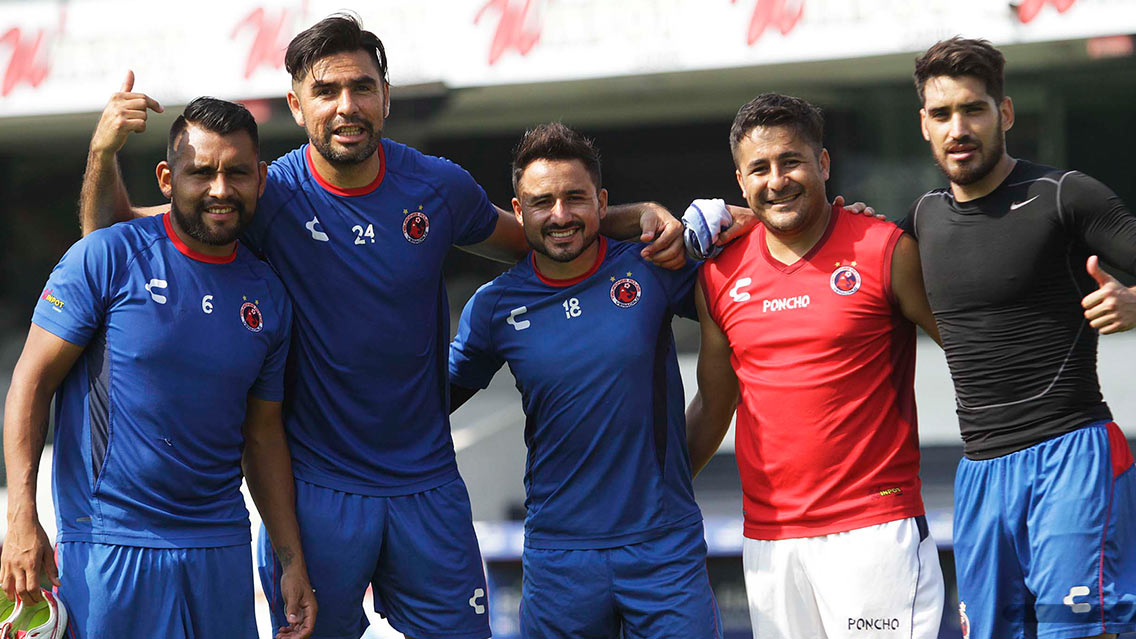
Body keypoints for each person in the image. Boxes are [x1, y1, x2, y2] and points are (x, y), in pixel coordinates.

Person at [78, 14, 689, 639]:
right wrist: (102, 153)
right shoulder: (263, 194)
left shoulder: (438, 186)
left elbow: (545, 237)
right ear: (297, 104)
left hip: (428, 486)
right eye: (326, 91)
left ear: (386, 97)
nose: (347, 106)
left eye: (362, 87)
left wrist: (633, 214)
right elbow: (108, 239)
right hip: (317, 491)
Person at [2, 98, 316, 639]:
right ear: (168, 178)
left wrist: (291, 561)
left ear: (261, 179)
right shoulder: (105, 256)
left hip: (219, 547)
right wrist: (20, 518)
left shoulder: (269, 295)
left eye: (237, 172)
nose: (220, 189)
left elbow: (262, 438)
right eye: (202, 172)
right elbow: (30, 384)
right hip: (108, 543)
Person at [684, 93, 945, 639]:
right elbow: (713, 404)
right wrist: (655, 488)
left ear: (823, 164)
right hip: (769, 541)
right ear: (741, 181)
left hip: (873, 533)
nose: (777, 180)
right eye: (760, 168)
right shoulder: (718, 276)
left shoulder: (885, 248)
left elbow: (966, 347)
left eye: (792, 161)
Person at [448, 123, 721, 638]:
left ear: (602, 200)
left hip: (663, 546)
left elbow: (748, 267)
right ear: (518, 208)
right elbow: (427, 406)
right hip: (559, 556)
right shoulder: (493, 307)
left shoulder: (651, 266)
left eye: (575, 198)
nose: (560, 215)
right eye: (542, 201)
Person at [906, 37, 1136, 639]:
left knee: (1079, 629)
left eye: (973, 109)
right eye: (942, 114)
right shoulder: (921, 220)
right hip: (981, 474)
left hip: (1073, 456)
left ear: (1004, 114)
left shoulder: (1066, 195)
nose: (959, 128)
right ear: (925, 126)